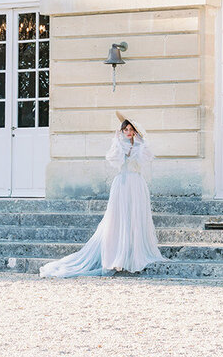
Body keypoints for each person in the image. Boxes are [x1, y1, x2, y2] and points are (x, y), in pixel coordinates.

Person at [39, 113, 165, 277]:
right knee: (119, 218)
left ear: (134, 131)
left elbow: (145, 159)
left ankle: (133, 255)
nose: (127, 132)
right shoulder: (118, 146)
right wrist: (117, 142)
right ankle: (117, 256)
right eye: (125, 129)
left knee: (135, 218)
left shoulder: (141, 147)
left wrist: (142, 142)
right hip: (122, 184)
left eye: (130, 129)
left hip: (137, 185)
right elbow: (114, 160)